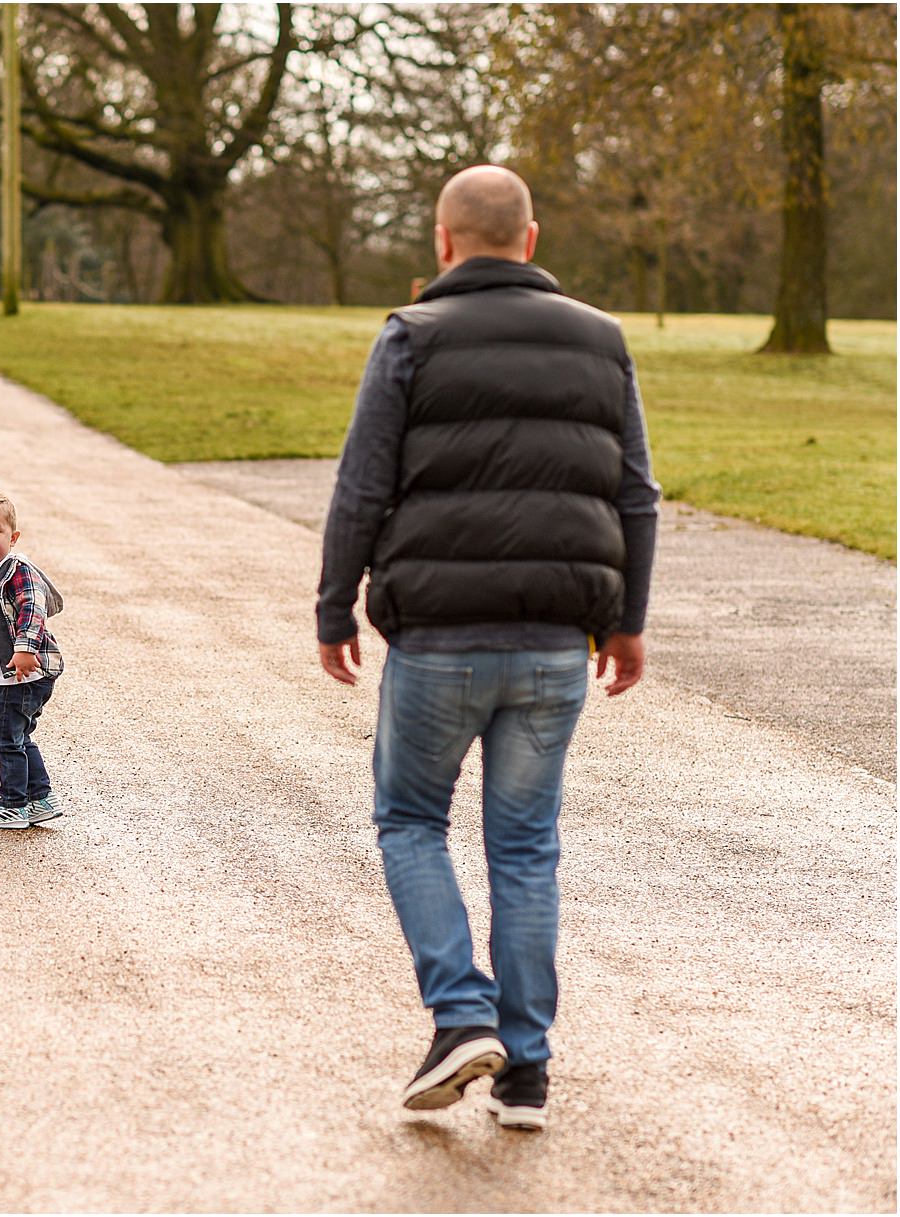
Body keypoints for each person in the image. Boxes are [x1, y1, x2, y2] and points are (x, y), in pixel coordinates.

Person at [315, 165, 658, 1131]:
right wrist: (627, 619)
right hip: (557, 641)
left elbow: (361, 486)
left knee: (412, 821)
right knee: (526, 846)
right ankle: (527, 1074)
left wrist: (334, 606)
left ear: (443, 242)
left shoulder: (411, 336)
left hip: (438, 640)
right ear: (532, 239)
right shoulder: (604, 340)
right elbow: (636, 493)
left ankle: (462, 1013)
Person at [0, 491, 66, 829]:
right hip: (3, 673)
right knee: (19, 738)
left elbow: (32, 608)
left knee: (6, 741)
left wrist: (25, 649)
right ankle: (38, 799)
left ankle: (13, 804)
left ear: (12, 536)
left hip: (19, 673)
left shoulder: (15, 569)